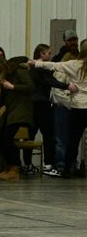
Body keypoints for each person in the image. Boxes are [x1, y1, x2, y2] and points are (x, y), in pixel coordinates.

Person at [29, 50, 87, 176]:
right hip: (77, 105)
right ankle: (71, 166)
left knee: (72, 139)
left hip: (77, 106)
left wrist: (36, 63)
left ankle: (66, 169)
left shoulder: (74, 64)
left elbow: (54, 65)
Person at [0, 55, 35, 180]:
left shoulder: (19, 71)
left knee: (7, 139)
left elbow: (30, 87)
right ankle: (10, 167)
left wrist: (13, 87)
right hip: (11, 110)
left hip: (21, 110)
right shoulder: (6, 76)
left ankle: (15, 169)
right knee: (1, 139)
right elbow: (2, 99)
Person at [28, 43, 70, 175]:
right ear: (41, 54)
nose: (50, 55)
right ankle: (48, 164)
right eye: (48, 53)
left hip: (33, 104)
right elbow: (50, 81)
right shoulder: (40, 69)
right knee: (48, 134)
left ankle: (28, 164)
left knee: (31, 134)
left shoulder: (32, 68)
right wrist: (67, 86)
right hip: (42, 104)